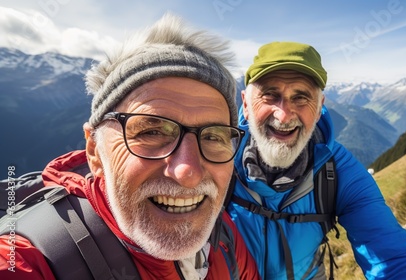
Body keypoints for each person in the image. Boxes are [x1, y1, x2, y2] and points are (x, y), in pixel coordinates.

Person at [0, 14, 260, 280]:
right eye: (152, 131)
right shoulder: (26, 260)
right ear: (94, 151)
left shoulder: (222, 234)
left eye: (213, 137)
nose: (188, 172)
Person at [226, 41, 406, 279]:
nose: (283, 114)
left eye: (301, 97)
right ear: (246, 104)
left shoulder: (338, 170)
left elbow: (395, 259)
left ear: (320, 107)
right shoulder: (216, 157)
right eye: (270, 95)